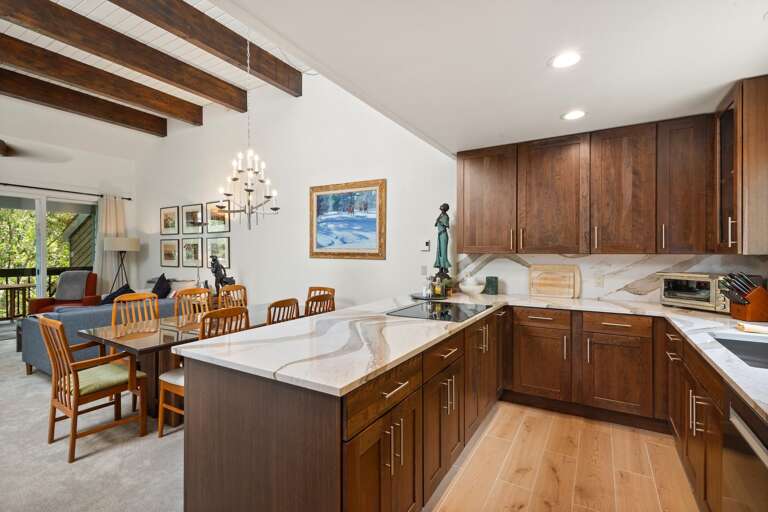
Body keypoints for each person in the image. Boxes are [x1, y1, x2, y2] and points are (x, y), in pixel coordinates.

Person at [434, 203, 451, 279]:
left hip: (443, 235)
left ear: (445, 208)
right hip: (439, 235)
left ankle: (444, 269)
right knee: (439, 252)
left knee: (443, 253)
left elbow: (447, 225)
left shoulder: (446, 216)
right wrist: (438, 220)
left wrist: (440, 221)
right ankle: (440, 269)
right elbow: (435, 224)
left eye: (443, 206)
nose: (441, 206)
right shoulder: (440, 215)